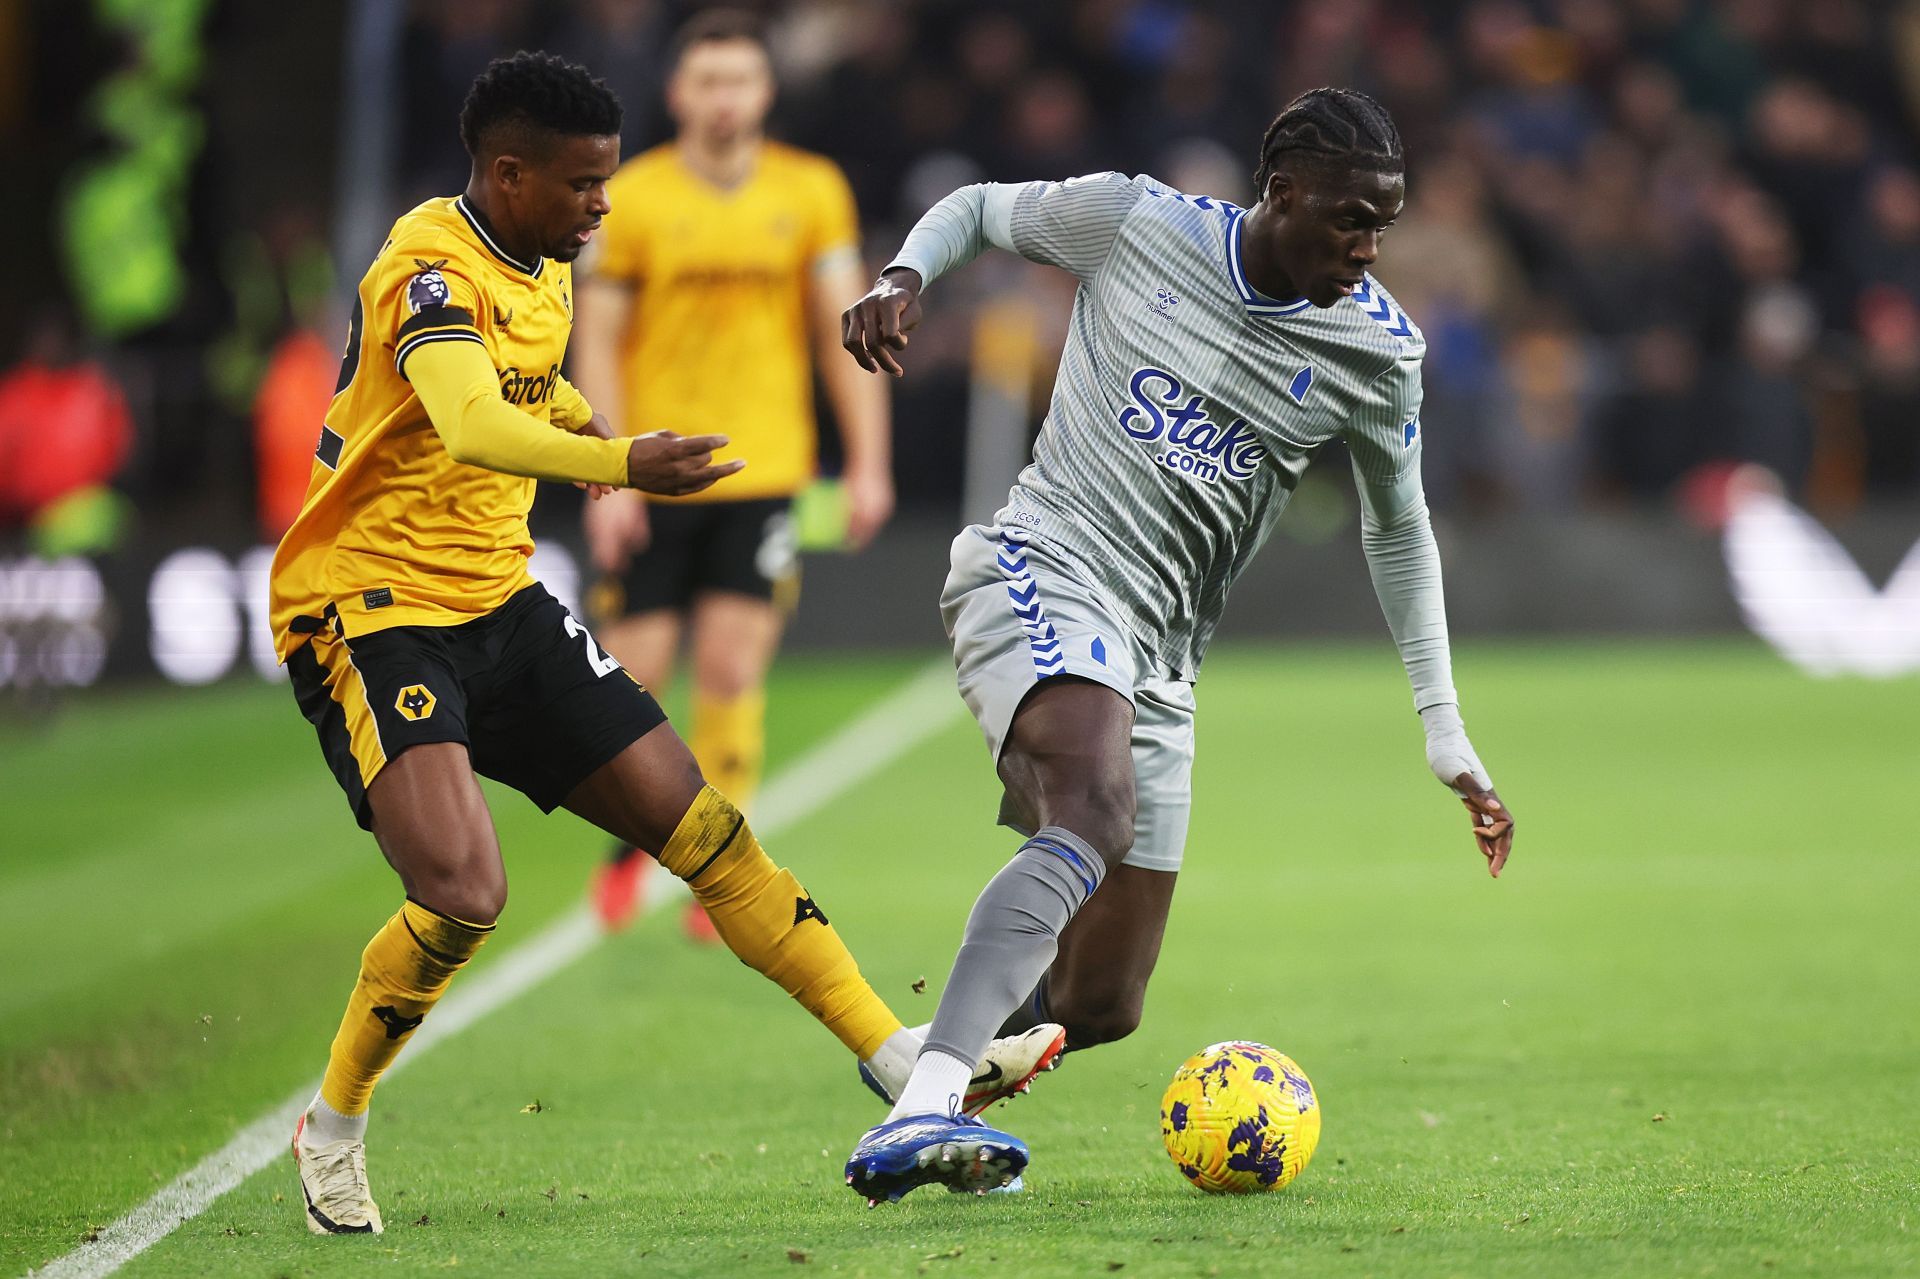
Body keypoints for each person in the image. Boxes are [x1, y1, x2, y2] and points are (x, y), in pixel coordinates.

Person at [267, 52, 1056, 1236]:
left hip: (498, 598)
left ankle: (894, 1058)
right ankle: (332, 1123)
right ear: (507, 171)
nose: (603, 205)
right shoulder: (425, 266)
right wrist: (619, 463)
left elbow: (529, 395)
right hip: (371, 611)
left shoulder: (543, 260)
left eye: (608, 183)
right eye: (583, 185)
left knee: (710, 834)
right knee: (465, 891)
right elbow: (472, 421)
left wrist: (597, 427)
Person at [835, 88, 1517, 1202]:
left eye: (1384, 220)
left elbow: (1399, 523)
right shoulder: (1140, 225)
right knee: (1090, 812)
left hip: (1162, 653)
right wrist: (903, 276)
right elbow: (978, 207)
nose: (1370, 245)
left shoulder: (1378, 349)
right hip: (1042, 563)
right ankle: (924, 1108)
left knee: (1104, 999)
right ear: (1282, 192)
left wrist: (1442, 726)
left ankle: (926, 1058)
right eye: (1351, 217)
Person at [575, 9, 893, 939]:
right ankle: (626, 843)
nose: (724, 101)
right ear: (679, 95)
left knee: (729, 662)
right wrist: (609, 469)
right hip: (655, 466)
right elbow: (596, 336)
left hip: (764, 465)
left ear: (766, 91)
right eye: (707, 83)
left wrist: (866, 460)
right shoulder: (629, 197)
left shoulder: (812, 190)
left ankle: (723, 867)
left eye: (740, 82)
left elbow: (848, 331)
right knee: (634, 678)